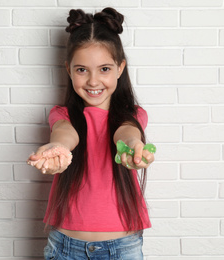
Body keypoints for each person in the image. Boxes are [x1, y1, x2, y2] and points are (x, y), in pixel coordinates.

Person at [27, 7, 155, 260]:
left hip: (123, 247)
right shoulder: (62, 115)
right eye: (82, 70)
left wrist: (133, 145)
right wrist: (59, 149)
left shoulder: (133, 115)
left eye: (105, 69)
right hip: (65, 246)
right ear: (69, 69)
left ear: (120, 68)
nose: (93, 81)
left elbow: (126, 132)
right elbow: (65, 134)